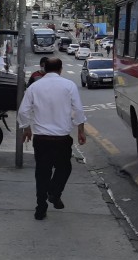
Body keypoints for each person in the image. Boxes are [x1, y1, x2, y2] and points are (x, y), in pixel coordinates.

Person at [17, 58, 87, 220]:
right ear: (61, 69)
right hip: (61, 139)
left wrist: (27, 128)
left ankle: (40, 208)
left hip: (41, 139)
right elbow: (78, 110)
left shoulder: (35, 87)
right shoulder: (69, 85)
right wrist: (81, 131)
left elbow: (22, 111)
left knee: (42, 172)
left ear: (44, 69)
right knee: (64, 168)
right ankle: (54, 192)